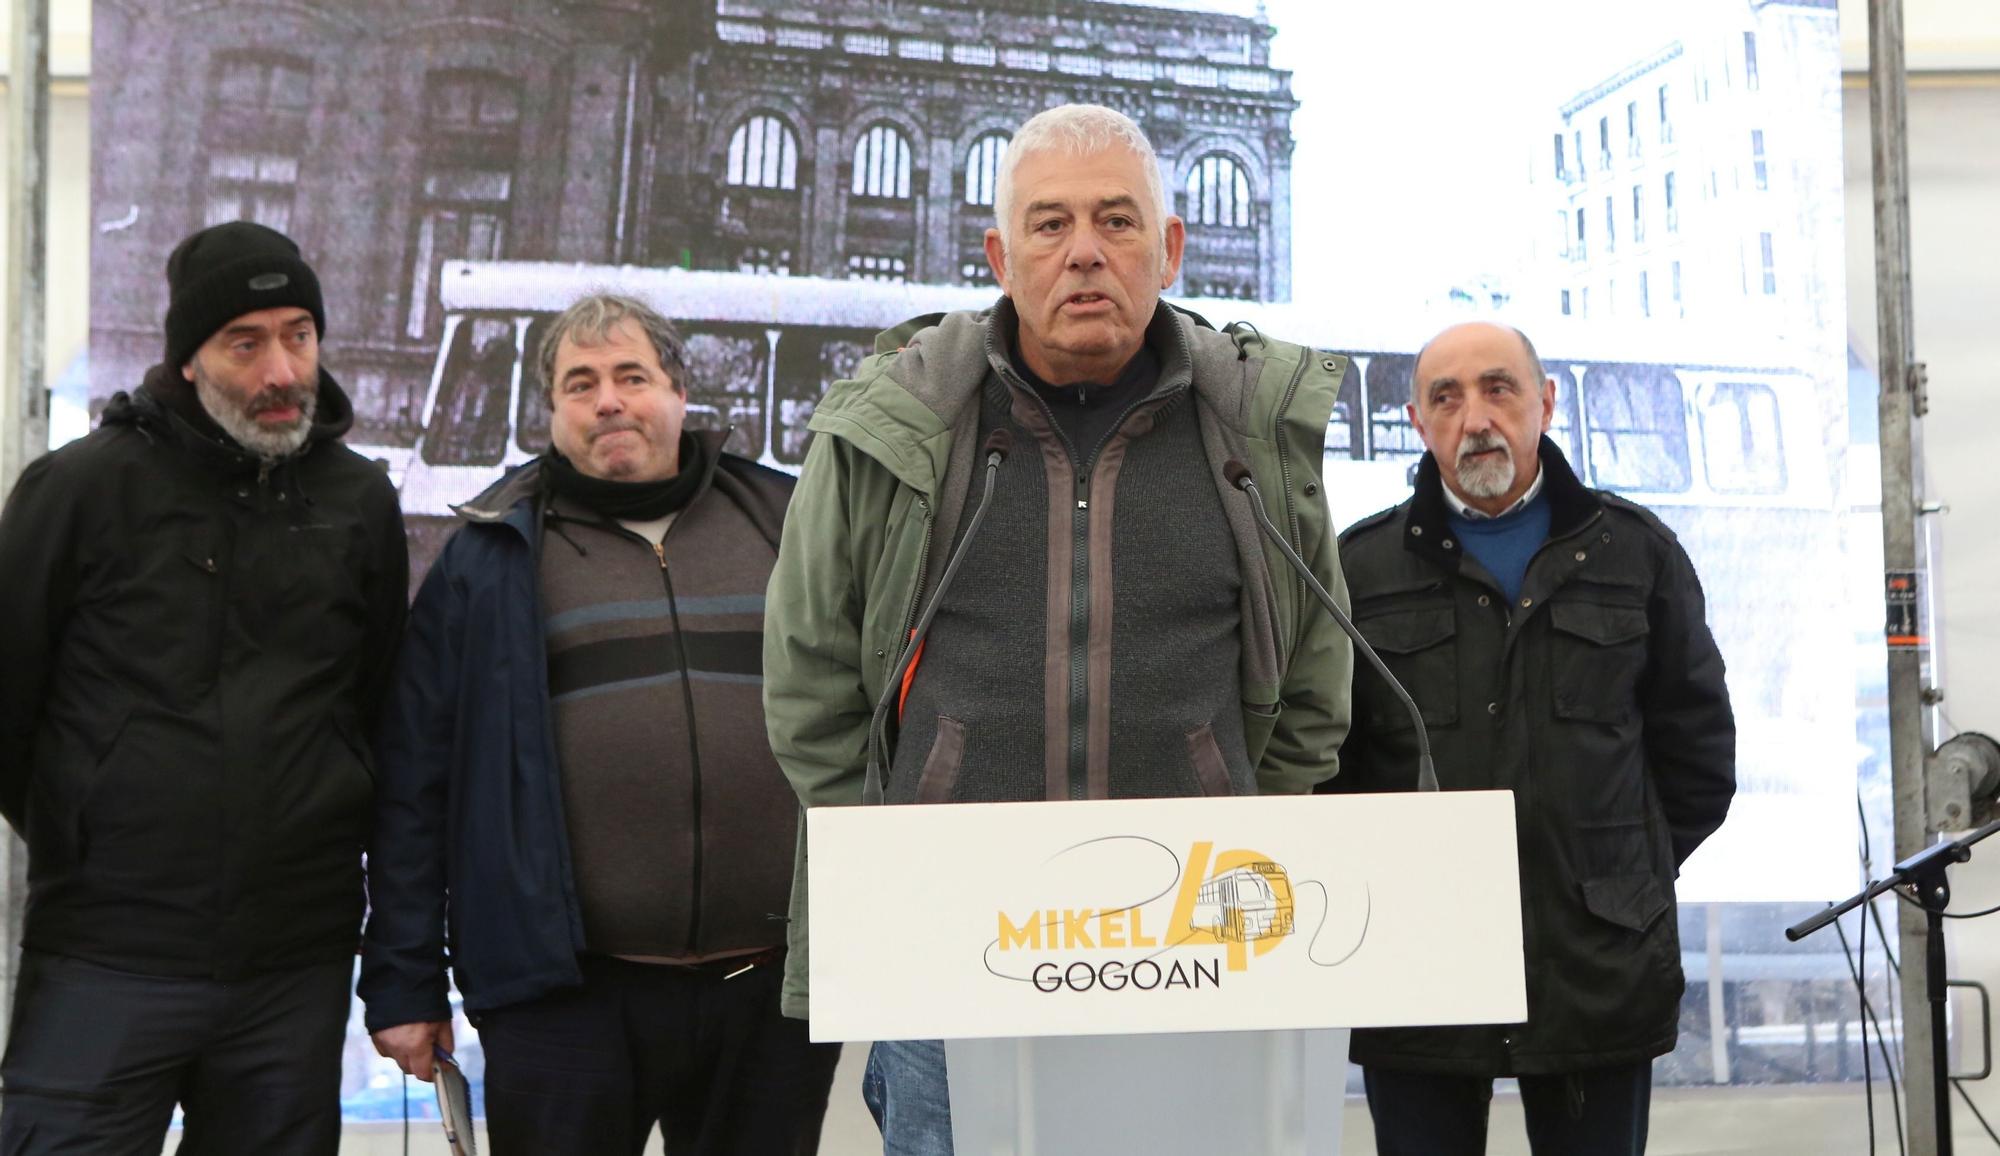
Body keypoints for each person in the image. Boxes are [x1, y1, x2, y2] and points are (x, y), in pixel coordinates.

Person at [762, 103, 1353, 1154]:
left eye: (1116, 220)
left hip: (1190, 950)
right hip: (950, 954)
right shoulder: (894, 430)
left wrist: (1231, 827)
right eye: (1048, 224)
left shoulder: (1251, 434)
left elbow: (1311, 686)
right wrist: (897, 867)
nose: (1083, 250)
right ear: (998, 254)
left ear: (1168, 249)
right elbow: (808, 691)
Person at [360, 292, 839, 1155]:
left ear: (680, 393)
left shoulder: (791, 523)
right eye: (580, 384)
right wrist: (402, 980)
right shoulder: (488, 554)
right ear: (551, 414)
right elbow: (415, 782)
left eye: (632, 376)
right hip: (563, 1000)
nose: (609, 400)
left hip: (768, 993)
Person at [0, 220, 409, 1154]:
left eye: (298, 335)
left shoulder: (358, 503)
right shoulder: (80, 490)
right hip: (104, 958)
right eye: (246, 342)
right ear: (188, 358)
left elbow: (379, 711)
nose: (281, 372)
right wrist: (96, 821)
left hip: (292, 968)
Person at [1325, 320, 1736, 1155]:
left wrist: (1620, 877)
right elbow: (1331, 765)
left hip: (1598, 967)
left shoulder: (1637, 555)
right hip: (1419, 964)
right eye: (1447, 397)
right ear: (1417, 422)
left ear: (1545, 404)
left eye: (1498, 388)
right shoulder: (1357, 570)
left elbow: (1697, 757)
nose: (1475, 417)